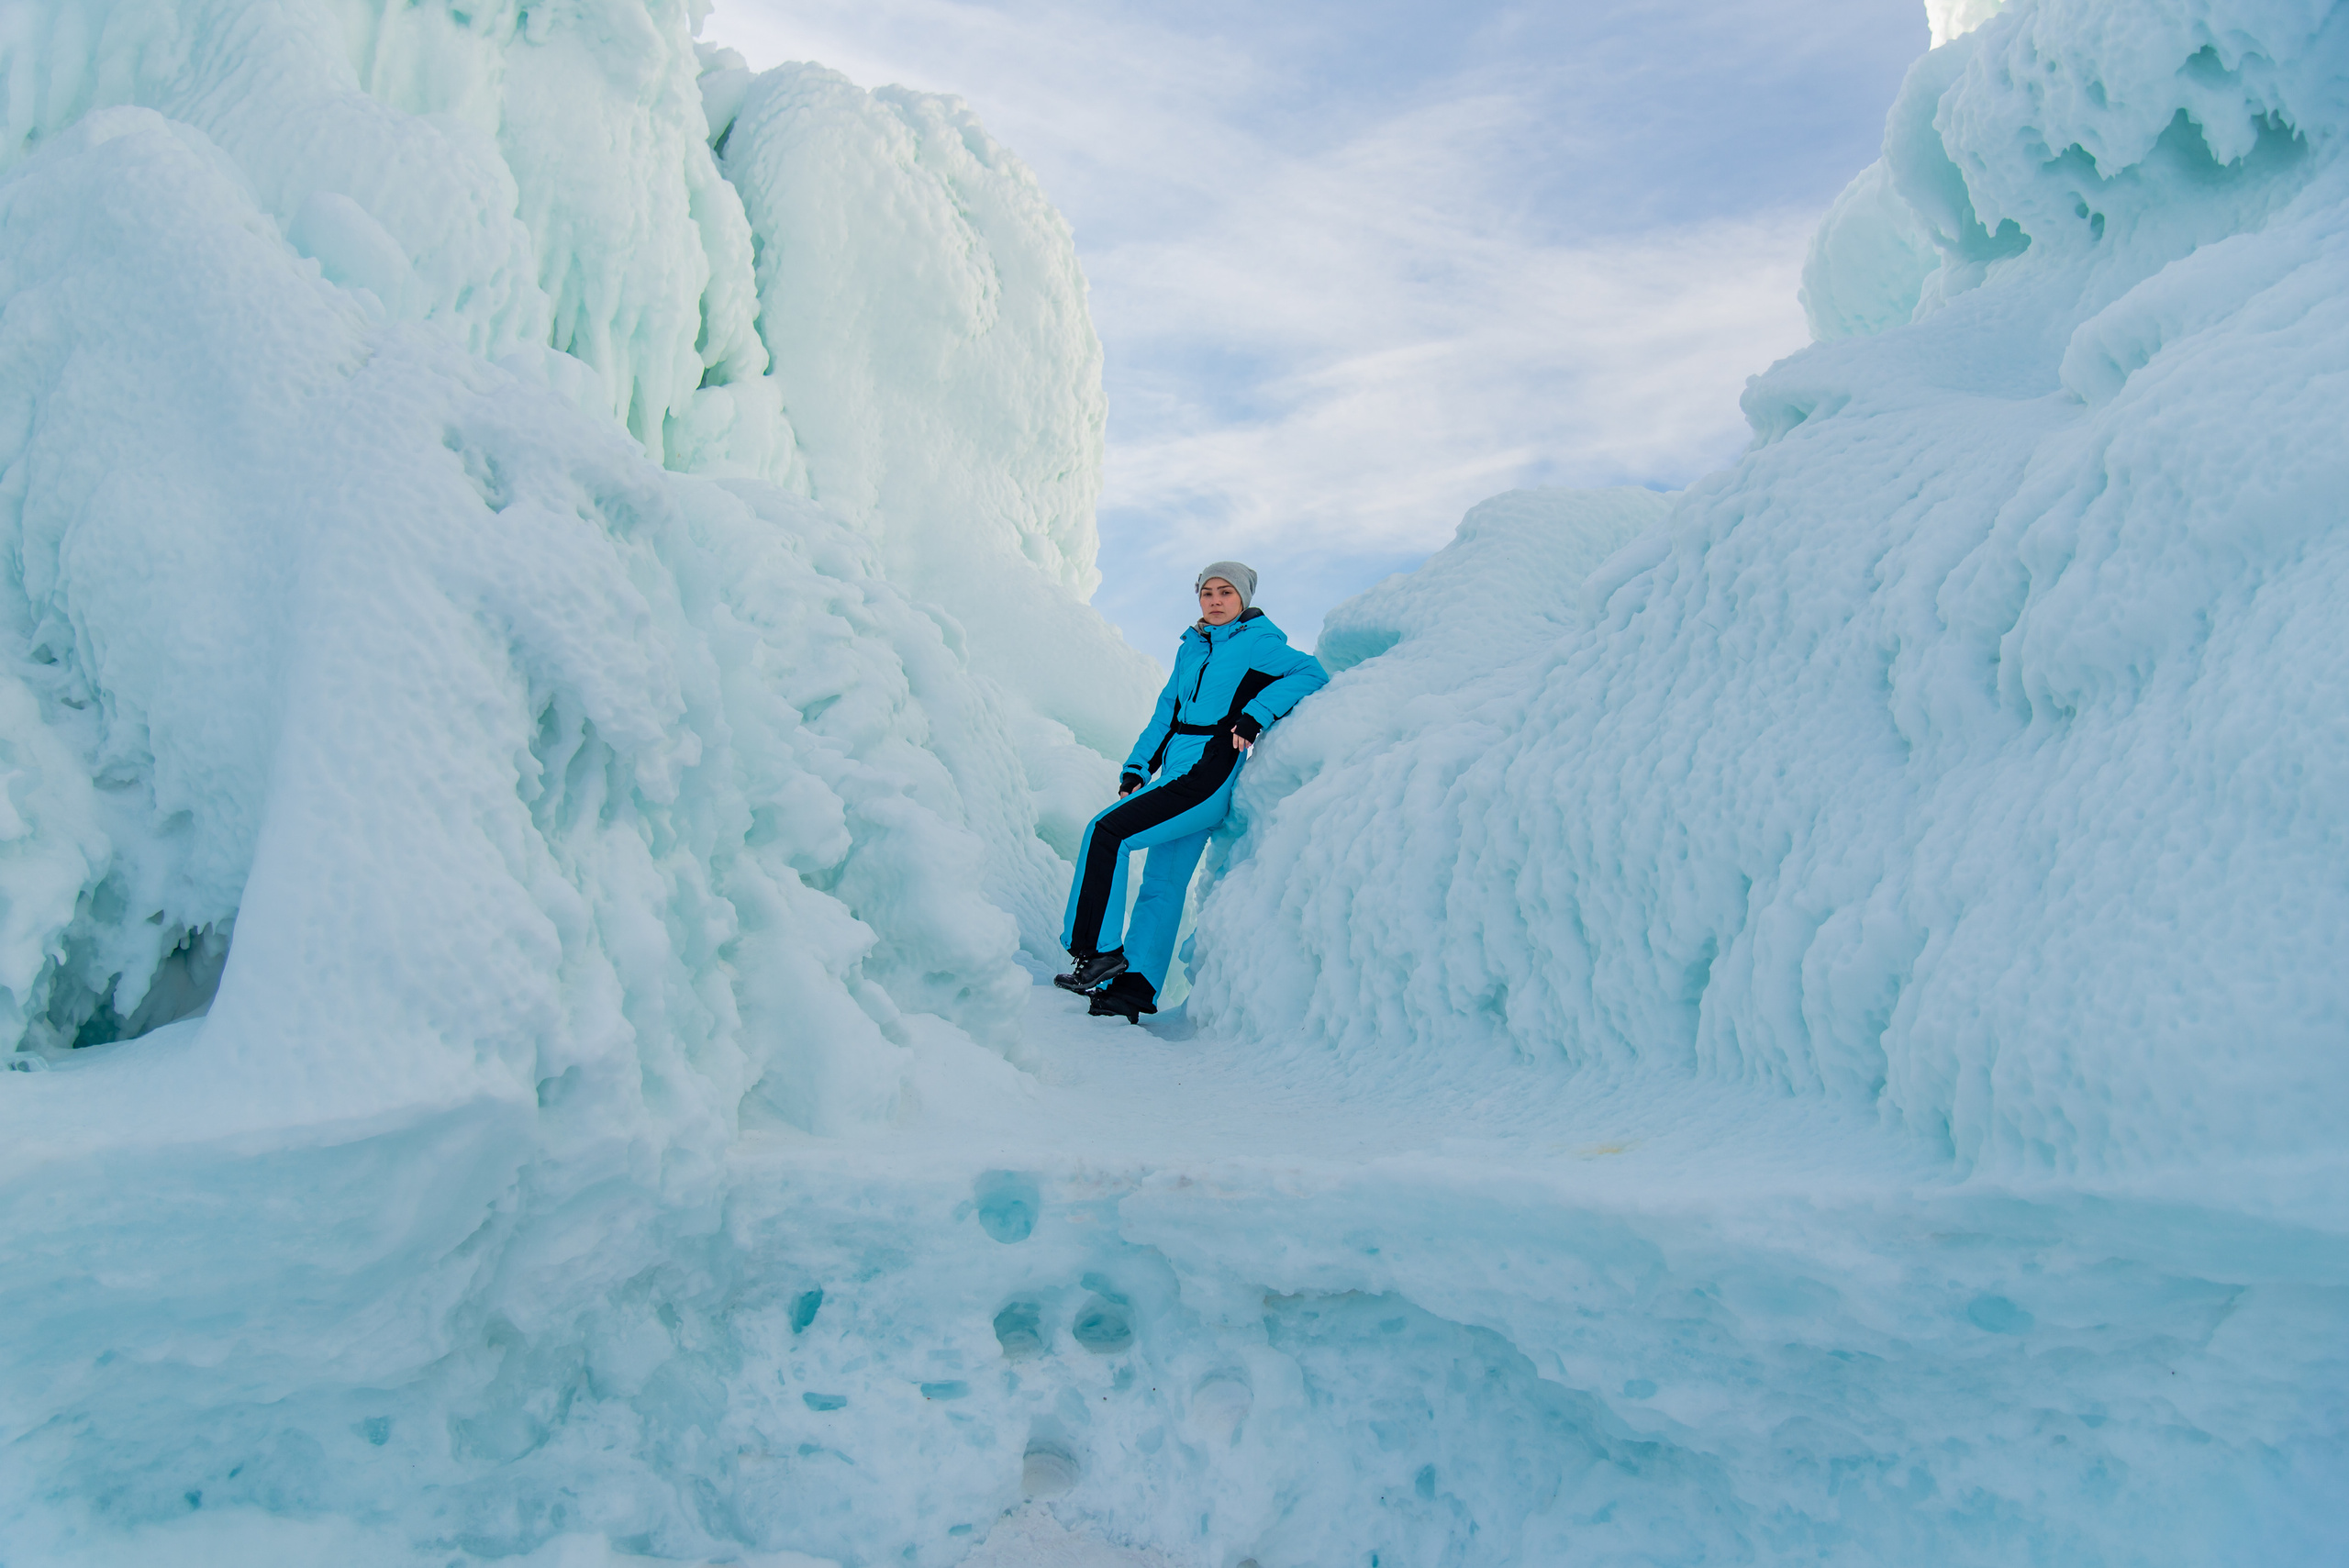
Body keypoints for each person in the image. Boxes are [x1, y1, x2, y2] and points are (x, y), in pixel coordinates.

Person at [1057, 561, 1329, 1023]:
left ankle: (1096, 951)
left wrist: (1255, 715)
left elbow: (1310, 672)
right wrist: (1138, 766)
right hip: (1176, 769)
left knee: (1107, 832)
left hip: (1208, 772)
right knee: (1162, 884)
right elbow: (1167, 711)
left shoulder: (1257, 641)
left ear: (1242, 599)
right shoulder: (1192, 648)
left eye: (1226, 592)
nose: (1216, 601)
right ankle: (1131, 991)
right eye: (1207, 593)